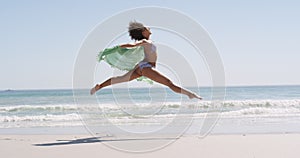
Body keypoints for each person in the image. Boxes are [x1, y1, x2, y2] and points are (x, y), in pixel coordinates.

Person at [90, 21, 202, 100]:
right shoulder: (145, 41)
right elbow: (133, 44)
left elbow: (136, 45)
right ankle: (190, 94)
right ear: (143, 32)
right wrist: (120, 47)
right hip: (146, 67)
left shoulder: (148, 42)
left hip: (141, 67)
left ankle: (99, 86)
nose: (149, 28)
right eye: (146, 28)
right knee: (169, 83)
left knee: (121, 79)